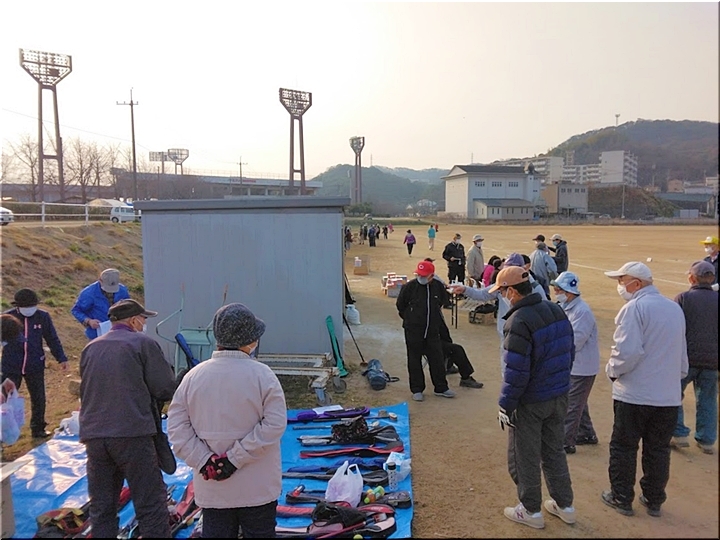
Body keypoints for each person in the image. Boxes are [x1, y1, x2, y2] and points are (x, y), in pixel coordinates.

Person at [169, 303, 287, 538]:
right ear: (250, 340)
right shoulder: (263, 376)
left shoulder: (193, 377)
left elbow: (177, 429)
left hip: (214, 487)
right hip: (257, 488)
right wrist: (234, 459)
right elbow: (274, 425)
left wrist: (205, 461)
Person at [79, 299, 176, 538]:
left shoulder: (91, 348)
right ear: (134, 320)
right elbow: (164, 388)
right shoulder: (143, 344)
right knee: (150, 503)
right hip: (132, 434)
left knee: (102, 506)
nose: (144, 324)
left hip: (94, 435)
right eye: (143, 319)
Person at [491, 266, 576, 529]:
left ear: (512, 291)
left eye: (502, 291)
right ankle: (565, 505)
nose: (502, 296)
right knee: (554, 451)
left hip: (531, 401)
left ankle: (530, 510)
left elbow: (516, 372)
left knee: (524, 456)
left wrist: (505, 404)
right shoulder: (555, 309)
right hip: (558, 395)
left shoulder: (518, 321)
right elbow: (570, 352)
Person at [602, 262, 688, 518]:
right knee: (658, 449)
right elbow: (682, 357)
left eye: (622, 280)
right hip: (667, 396)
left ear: (636, 283)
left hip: (635, 394)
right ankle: (653, 498)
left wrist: (612, 371)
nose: (620, 286)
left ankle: (621, 496)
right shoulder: (674, 308)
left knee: (624, 447)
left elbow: (627, 352)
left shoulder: (634, 308)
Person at [449, 253, 548, 375]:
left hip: (527, 337)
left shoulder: (535, 289)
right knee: (507, 371)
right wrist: (465, 289)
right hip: (506, 334)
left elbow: (543, 314)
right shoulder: (503, 283)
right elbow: (484, 294)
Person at [2, 289, 68, 438]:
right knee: (4, 398)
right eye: (25, 307)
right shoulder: (8, 318)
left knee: (38, 398)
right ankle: (3, 432)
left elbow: (52, 338)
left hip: (35, 364)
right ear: (17, 306)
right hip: (11, 366)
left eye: (32, 306)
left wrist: (61, 358)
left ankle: (38, 428)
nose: (29, 309)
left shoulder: (42, 317)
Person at [550, 272, 600, 454]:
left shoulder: (582, 312)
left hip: (581, 367)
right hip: (573, 365)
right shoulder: (565, 307)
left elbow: (575, 341)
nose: (556, 292)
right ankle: (586, 433)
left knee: (571, 405)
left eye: (558, 289)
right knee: (579, 402)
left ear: (569, 291)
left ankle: (565, 442)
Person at [671, 261, 718, 455]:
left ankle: (679, 433)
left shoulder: (683, 298)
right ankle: (707, 440)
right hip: (712, 361)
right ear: (712, 278)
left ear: (691, 278)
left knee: (674, 395)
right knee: (708, 399)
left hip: (686, 358)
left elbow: (674, 328)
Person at [396, 260, 455, 401]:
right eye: (419, 274)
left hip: (432, 331)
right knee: (414, 360)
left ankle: (441, 387)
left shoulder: (438, 287)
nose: (421, 277)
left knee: (437, 359)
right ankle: (417, 389)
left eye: (424, 275)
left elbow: (442, 303)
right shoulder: (409, 287)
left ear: (432, 276)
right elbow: (400, 306)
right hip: (413, 331)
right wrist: (411, 318)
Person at [71, 268, 131, 340]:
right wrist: (89, 321)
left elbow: (128, 307)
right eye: (108, 288)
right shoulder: (88, 293)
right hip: (97, 335)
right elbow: (76, 310)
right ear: (100, 280)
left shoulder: (123, 290)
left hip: (119, 332)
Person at [439, 317, 483, 388]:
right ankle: (466, 378)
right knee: (457, 349)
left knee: (449, 345)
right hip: (428, 342)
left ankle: (448, 365)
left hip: (434, 339)